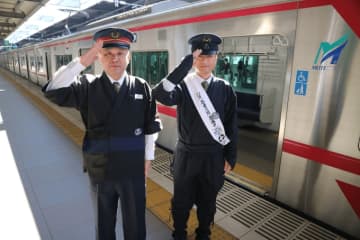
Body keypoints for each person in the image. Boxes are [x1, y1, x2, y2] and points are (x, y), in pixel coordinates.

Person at [43, 28, 162, 240]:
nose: (114, 59)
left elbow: (150, 126)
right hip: (100, 170)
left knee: (136, 226)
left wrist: (148, 159)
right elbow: (53, 91)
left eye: (120, 53)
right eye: (107, 54)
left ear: (128, 56)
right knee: (104, 225)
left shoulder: (141, 86)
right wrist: (84, 59)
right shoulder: (88, 85)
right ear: (98, 57)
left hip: (132, 169)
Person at [153, 33, 237, 240]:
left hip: (213, 156)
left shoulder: (225, 89)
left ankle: (203, 233)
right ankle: (179, 232)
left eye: (209, 56)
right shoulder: (183, 85)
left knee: (208, 200)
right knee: (181, 199)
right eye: (199, 57)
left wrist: (231, 156)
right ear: (193, 59)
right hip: (187, 154)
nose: (205, 61)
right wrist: (183, 67)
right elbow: (160, 95)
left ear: (216, 57)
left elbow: (231, 125)